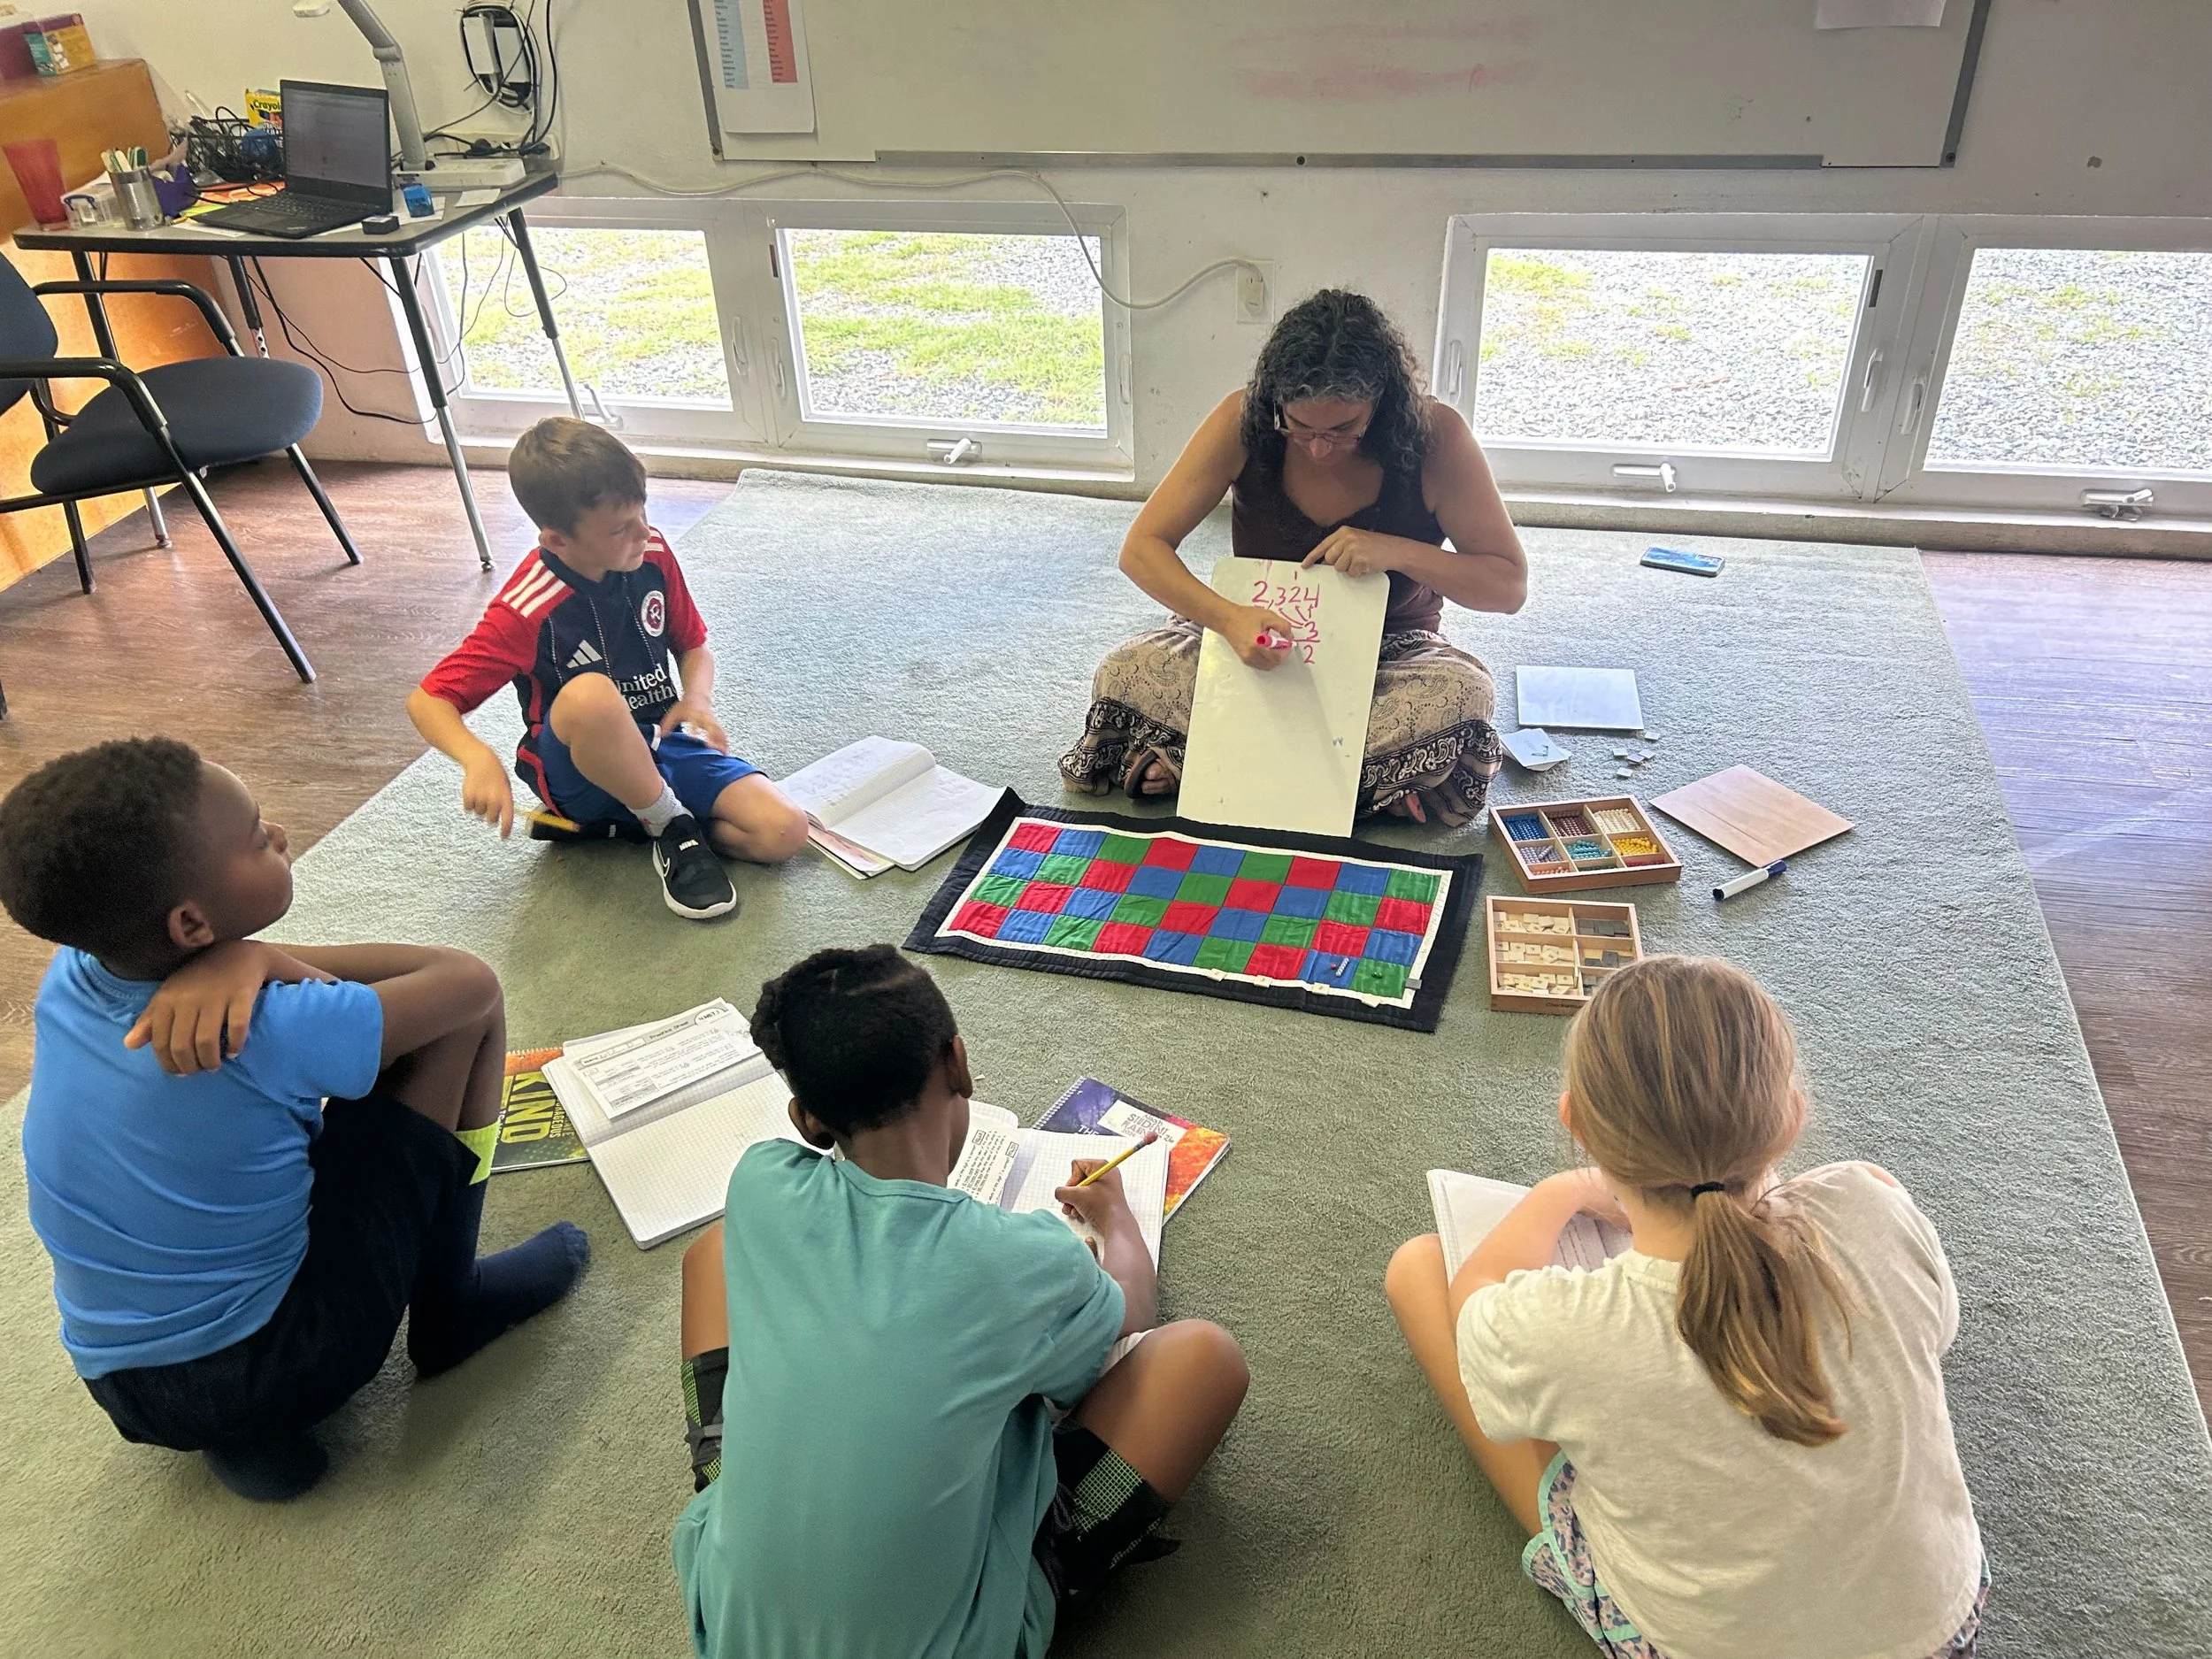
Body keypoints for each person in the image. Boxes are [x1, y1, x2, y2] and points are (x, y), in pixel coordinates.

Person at [0, 738, 590, 1502]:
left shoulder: (73, 977)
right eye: (256, 837)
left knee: (271, 1141)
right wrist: (263, 961)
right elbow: (467, 981)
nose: (277, 833)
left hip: (122, 1383)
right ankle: (454, 1306)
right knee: (453, 1025)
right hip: (291, 1357)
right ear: (189, 926)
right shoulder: (272, 1029)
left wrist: (250, 954)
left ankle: (247, 1438)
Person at [1384, 956, 1987, 1659]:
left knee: (1418, 1269)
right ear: (1789, 1118)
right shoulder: (1871, 1204)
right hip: (1941, 1630)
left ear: (1575, 1121)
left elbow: (1476, 1298)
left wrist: (1562, 1191)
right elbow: (1936, 1333)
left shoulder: (1567, 1329)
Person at [672, 945, 1249, 1657]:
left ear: (807, 1120)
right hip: (962, 1642)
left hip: (733, 1632)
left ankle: (722, 1470)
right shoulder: (1024, 1259)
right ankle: (1051, 1562)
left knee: (713, 1253)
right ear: (959, 1061)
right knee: (1205, 1358)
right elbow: (1132, 1305)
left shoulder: (762, 1181)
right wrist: (1114, 1214)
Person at [1062, 289, 1526, 826]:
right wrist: (1229, 619)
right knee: (1129, 666)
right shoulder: (1244, 419)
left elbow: (1507, 586)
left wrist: (1393, 550)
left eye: (1342, 429)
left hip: (1388, 654)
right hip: (1253, 645)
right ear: (1275, 402)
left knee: (1463, 693)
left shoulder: (1435, 437)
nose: (1319, 447)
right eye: (1300, 428)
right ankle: (1376, 785)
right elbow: (1142, 549)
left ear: (1382, 405)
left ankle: (1208, 764)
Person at [408, 417, 808, 922]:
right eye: (621, 528)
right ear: (557, 541)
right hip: (579, 769)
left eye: (643, 513)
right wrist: (476, 758)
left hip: (658, 739)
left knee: (785, 830)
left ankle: (643, 824)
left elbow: (694, 644)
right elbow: (429, 699)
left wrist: (697, 699)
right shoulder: (525, 609)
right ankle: (670, 827)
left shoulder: (652, 552)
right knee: (590, 694)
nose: (645, 533)